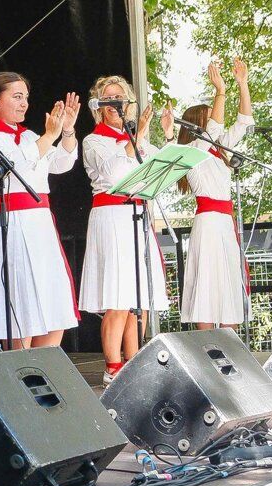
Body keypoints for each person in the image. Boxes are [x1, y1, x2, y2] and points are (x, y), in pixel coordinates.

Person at [0, 73, 80, 349]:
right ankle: (20, 373)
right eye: (17, 97)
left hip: (39, 223)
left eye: (26, 98)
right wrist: (49, 135)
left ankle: (42, 371)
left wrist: (66, 131)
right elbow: (13, 166)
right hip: (8, 221)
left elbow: (62, 164)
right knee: (19, 307)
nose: (24, 104)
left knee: (53, 305)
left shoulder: (29, 136)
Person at [78, 75, 172, 384]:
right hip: (111, 216)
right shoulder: (94, 141)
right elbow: (114, 171)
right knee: (117, 299)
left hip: (137, 215)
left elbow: (163, 168)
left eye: (120, 97)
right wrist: (140, 137)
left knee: (136, 300)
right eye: (109, 97)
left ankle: (134, 364)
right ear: (100, 106)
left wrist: (168, 137)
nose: (115, 103)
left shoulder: (136, 138)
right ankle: (112, 368)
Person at [171, 59, 254, 330]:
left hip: (224, 222)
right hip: (207, 223)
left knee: (228, 281)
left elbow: (244, 122)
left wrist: (242, 84)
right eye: (210, 116)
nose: (217, 118)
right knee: (207, 281)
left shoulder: (221, 149)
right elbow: (215, 128)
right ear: (198, 124)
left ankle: (230, 349)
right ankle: (206, 350)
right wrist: (220, 91)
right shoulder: (194, 148)